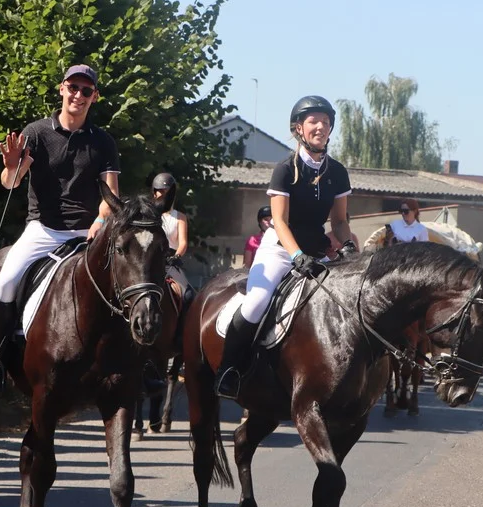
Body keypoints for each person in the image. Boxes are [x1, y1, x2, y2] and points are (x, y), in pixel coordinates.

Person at [0, 64, 121, 396]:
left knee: (126, 282)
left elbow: (111, 196)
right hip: (44, 230)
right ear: (61, 89)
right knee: (7, 279)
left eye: (86, 91)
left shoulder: (103, 142)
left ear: (94, 97)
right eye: (73, 87)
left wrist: (99, 223)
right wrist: (11, 166)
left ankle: (134, 362)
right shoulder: (37, 133)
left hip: (87, 233)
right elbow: (11, 182)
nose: (78, 95)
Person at [214, 95, 356, 400]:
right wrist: (296, 256)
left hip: (317, 252)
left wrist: (348, 247)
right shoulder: (285, 169)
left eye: (326, 122)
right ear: (299, 129)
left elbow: (341, 221)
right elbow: (279, 220)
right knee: (256, 303)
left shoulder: (338, 172)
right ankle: (230, 369)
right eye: (314, 121)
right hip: (281, 249)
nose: (321, 127)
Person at [152, 173, 190, 294]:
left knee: (188, 293)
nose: (164, 195)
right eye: (161, 191)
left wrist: (176, 257)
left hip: (170, 260)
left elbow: (183, 243)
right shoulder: (149, 215)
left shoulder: (180, 217)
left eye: (167, 191)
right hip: (151, 258)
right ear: (154, 193)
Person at [243, 206, 273, 270]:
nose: (269, 222)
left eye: (271, 219)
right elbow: (247, 265)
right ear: (260, 222)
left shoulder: (282, 239)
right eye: (266, 219)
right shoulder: (253, 240)